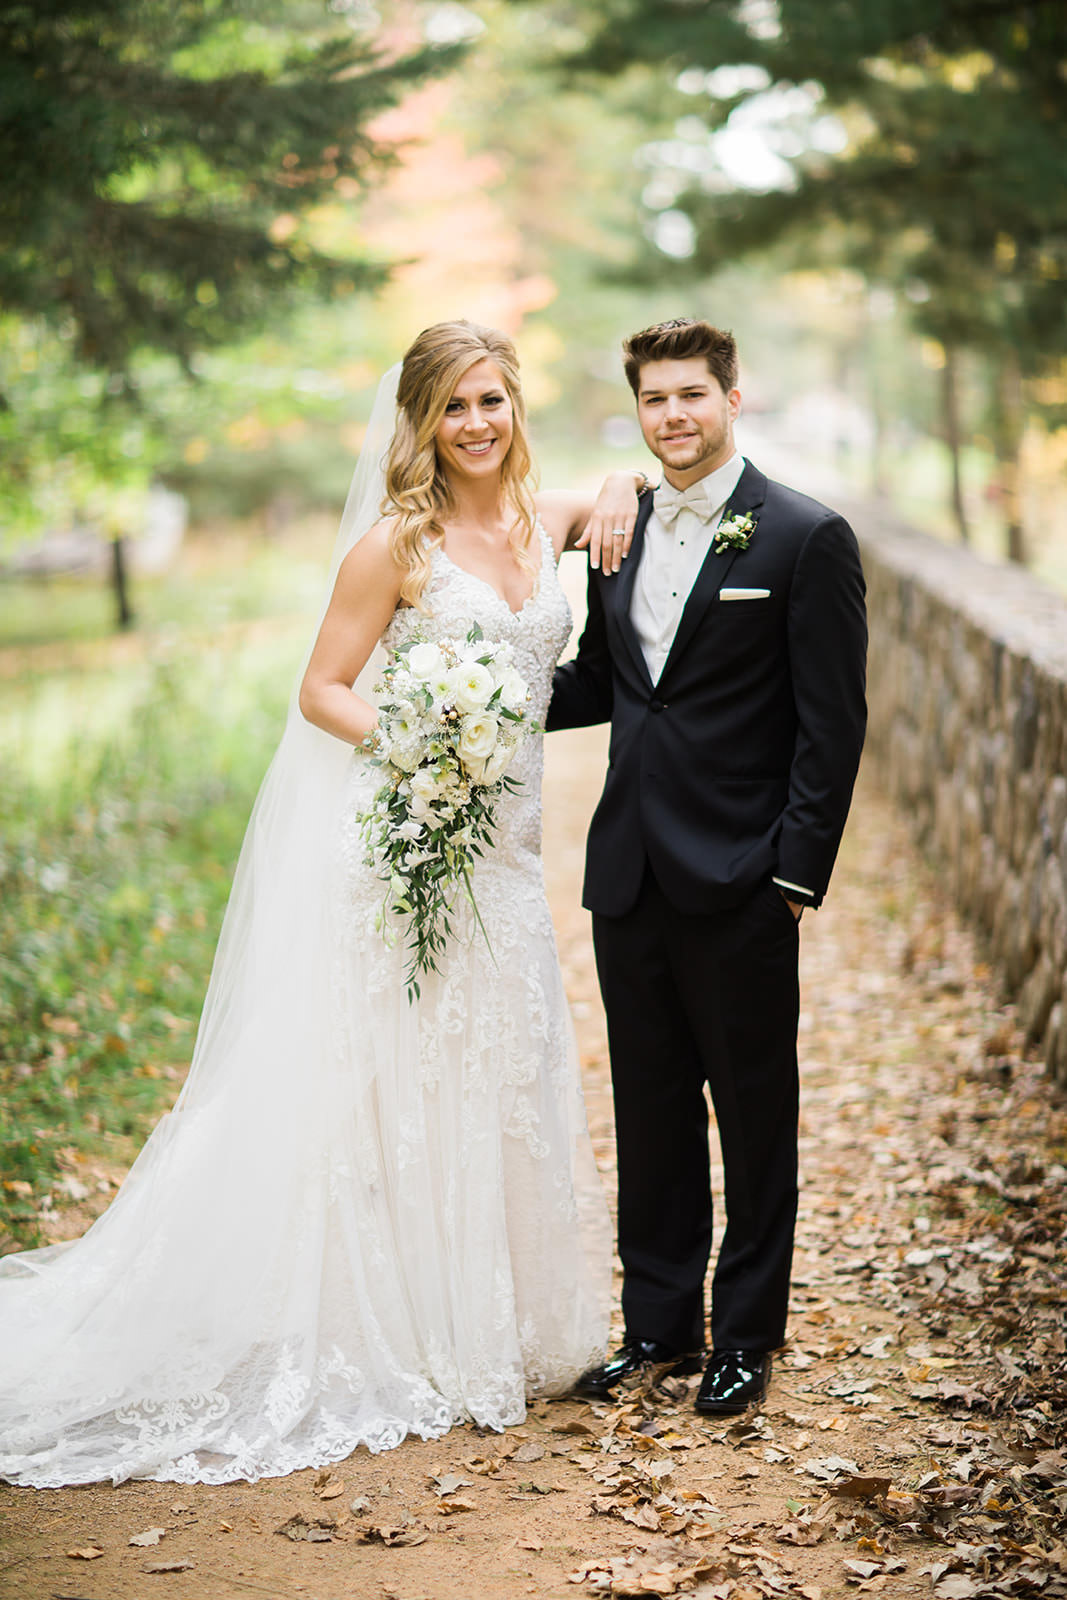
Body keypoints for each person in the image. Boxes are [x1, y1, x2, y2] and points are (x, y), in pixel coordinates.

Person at [0, 320, 641, 1487]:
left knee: (497, 1066)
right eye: (453, 407)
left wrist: (618, 481)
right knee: (394, 1079)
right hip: (410, 845)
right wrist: (418, 742)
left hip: (502, 860)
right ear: (420, 422)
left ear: (516, 404)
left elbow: (638, 475)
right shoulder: (395, 544)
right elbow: (321, 689)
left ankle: (489, 1325)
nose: (477, 424)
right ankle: (393, 1326)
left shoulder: (541, 522)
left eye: (492, 400)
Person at [548, 317, 867, 1416]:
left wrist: (792, 873)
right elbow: (604, 682)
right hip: (627, 870)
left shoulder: (803, 536)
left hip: (739, 876)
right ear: (635, 412)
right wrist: (478, 701)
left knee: (751, 1107)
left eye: (691, 394)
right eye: (653, 400)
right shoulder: (617, 526)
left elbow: (831, 726)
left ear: (733, 398)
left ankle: (743, 1334)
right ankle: (656, 1326)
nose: (672, 416)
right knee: (647, 1106)